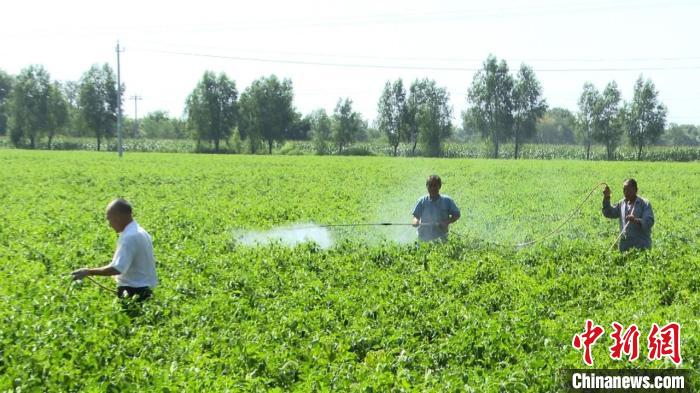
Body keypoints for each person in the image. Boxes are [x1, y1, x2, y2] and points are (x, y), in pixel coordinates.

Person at [71, 199, 158, 300]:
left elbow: (117, 268)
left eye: (109, 219)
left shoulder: (129, 237)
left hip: (134, 291)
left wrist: (88, 272)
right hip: (145, 289)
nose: (109, 224)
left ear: (118, 216)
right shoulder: (140, 232)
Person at [602, 179, 654, 251]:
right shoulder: (622, 203)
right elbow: (609, 213)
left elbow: (649, 222)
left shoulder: (644, 203)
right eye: (624, 190)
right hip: (625, 247)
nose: (626, 192)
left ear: (636, 190)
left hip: (641, 246)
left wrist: (635, 220)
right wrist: (606, 197)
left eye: (628, 190)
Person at [412, 175, 461, 242]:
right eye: (430, 186)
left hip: (442, 237)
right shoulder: (422, 201)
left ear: (439, 186)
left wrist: (446, 222)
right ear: (427, 187)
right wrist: (415, 221)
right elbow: (416, 216)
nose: (432, 188)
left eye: (435, 185)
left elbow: (457, 214)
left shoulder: (447, 201)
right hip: (423, 237)